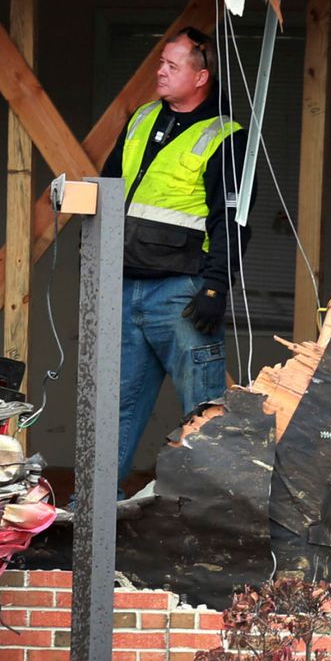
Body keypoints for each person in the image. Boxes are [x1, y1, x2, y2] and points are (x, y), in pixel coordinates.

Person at [100, 26, 250, 489]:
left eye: (171, 65)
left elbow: (233, 220)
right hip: (124, 288)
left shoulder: (225, 136)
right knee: (113, 411)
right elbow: (107, 190)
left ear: (201, 76)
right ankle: (94, 515)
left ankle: (204, 519)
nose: (159, 72)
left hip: (181, 293)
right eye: (160, 63)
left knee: (202, 410)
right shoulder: (143, 118)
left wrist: (214, 286)